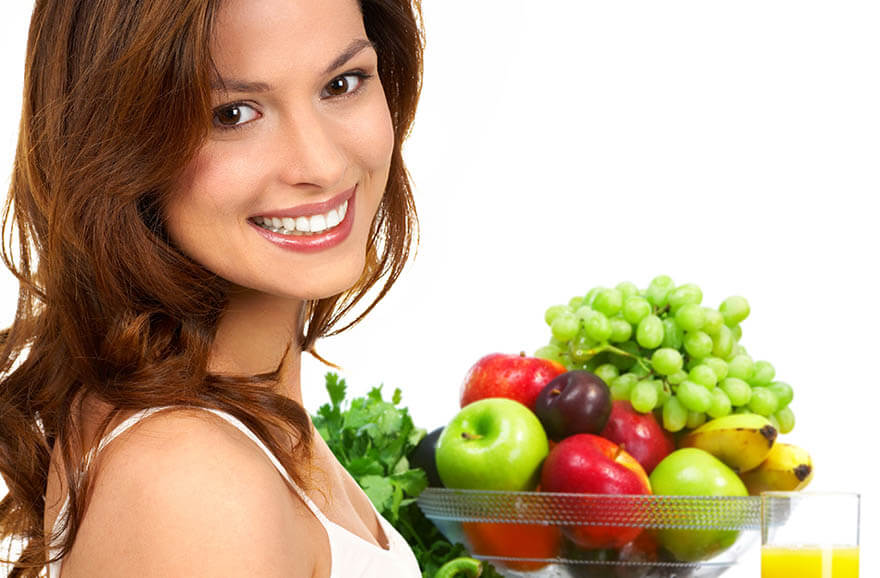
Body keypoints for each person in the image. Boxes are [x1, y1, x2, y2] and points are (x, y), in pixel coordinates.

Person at [0, 0, 424, 575]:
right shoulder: (196, 483)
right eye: (232, 114)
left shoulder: (234, 411)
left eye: (342, 83)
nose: (321, 164)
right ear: (117, 144)